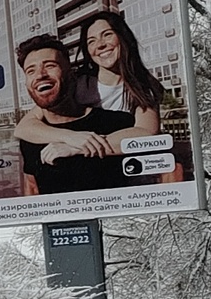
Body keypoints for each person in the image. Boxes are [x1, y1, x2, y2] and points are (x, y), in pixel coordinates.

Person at [12, 36, 130, 193]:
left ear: (72, 75)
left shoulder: (116, 123)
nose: (40, 74)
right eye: (30, 71)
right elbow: (32, 187)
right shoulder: (31, 138)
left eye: (50, 65)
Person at [70, 9, 166, 134]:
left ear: (123, 37)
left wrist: (85, 145)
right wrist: (68, 138)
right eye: (91, 41)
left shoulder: (142, 87)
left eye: (107, 34)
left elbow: (146, 132)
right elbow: (35, 123)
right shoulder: (75, 83)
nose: (100, 45)